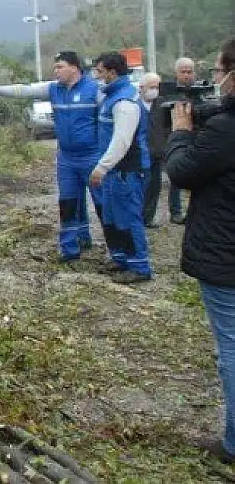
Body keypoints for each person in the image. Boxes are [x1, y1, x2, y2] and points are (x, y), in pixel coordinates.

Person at [166, 39, 235, 463]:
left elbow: (182, 172)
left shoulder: (226, 129)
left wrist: (179, 133)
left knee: (231, 349)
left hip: (226, 254)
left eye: (220, 69)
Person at [0, 51, 102, 263]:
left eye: (60, 66)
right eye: (55, 67)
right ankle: (70, 248)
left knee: (103, 203)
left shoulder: (94, 89)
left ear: (74, 67)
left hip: (92, 156)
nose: (55, 71)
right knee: (68, 201)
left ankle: (118, 252)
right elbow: (25, 90)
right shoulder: (54, 89)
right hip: (66, 158)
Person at [89, 51, 153, 283]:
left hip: (126, 171)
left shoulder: (124, 101)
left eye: (100, 71)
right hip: (115, 172)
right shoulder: (112, 96)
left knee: (128, 217)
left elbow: (122, 141)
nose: (97, 76)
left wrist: (102, 167)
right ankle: (121, 259)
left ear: (112, 73)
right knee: (112, 216)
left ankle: (139, 266)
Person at [166, 57, 197, 224]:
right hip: (175, 138)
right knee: (175, 177)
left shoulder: (200, 90)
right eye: (183, 72)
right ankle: (175, 211)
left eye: (189, 71)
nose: (186, 75)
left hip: (197, 138)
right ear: (176, 73)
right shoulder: (168, 91)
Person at [139, 72, 172, 228]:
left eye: (157, 87)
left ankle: (148, 217)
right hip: (139, 156)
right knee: (140, 189)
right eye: (151, 87)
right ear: (142, 88)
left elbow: (167, 127)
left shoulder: (162, 105)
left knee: (154, 188)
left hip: (156, 154)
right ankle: (137, 218)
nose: (155, 90)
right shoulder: (134, 105)